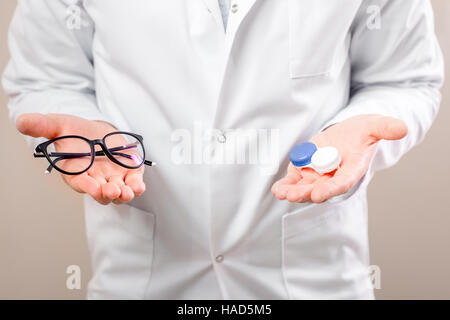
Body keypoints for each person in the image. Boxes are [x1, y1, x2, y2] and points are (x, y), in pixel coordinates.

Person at [2, 0, 443, 299]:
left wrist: (355, 128)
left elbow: (402, 80)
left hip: (313, 278)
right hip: (142, 278)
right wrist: (85, 132)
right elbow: (47, 79)